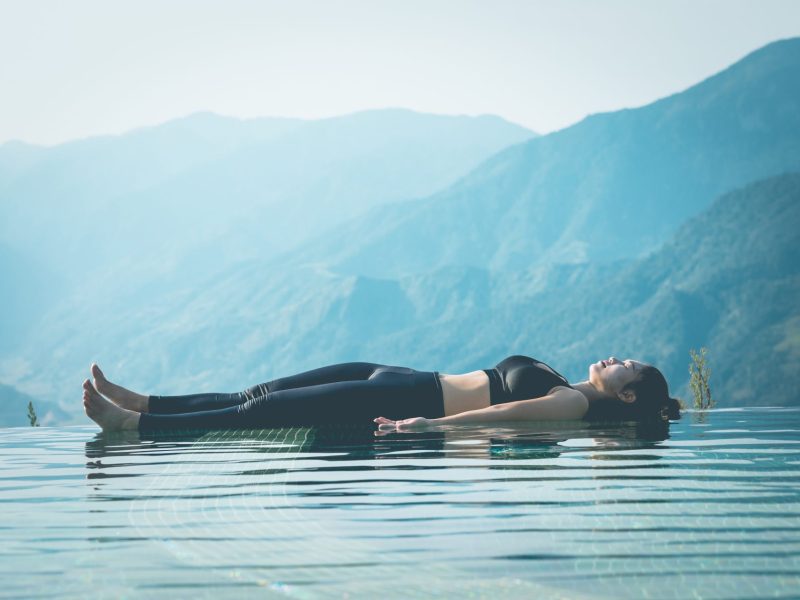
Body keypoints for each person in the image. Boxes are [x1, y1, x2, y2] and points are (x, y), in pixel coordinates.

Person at [82, 355, 681, 433]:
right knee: (256, 391)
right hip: (394, 375)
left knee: (257, 413)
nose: (617, 360)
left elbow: (505, 411)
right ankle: (144, 401)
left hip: (411, 404)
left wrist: (423, 427)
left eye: (628, 369)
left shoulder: (573, 403)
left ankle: (132, 428)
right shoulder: (563, 376)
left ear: (627, 397)